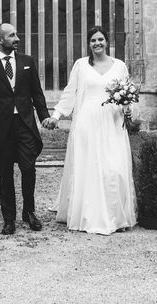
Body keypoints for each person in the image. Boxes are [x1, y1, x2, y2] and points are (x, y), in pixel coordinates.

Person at [45, 26, 137, 235]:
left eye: (100, 39)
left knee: (114, 168)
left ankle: (116, 216)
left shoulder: (119, 65)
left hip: (112, 122)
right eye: (93, 40)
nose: (97, 43)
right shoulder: (81, 65)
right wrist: (56, 115)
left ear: (107, 42)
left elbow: (128, 93)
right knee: (89, 168)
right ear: (89, 44)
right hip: (87, 122)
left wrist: (129, 109)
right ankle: (88, 215)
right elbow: (70, 93)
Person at [0, 22, 54, 235]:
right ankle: (8, 219)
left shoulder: (27, 61)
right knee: (6, 173)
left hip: (25, 125)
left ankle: (29, 213)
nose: (17, 38)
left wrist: (44, 116)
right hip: (2, 128)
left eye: (16, 34)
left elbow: (37, 93)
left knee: (28, 169)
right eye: (12, 35)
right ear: (0, 40)